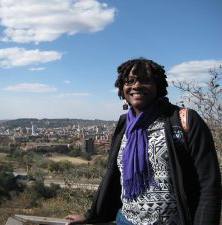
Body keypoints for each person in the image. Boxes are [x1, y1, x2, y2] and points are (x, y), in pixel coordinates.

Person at [65, 58, 221, 225]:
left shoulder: (183, 120)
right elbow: (114, 178)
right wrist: (91, 216)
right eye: (129, 81)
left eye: (145, 80)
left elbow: (209, 185)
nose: (136, 86)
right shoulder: (124, 124)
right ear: (122, 88)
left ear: (158, 85)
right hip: (125, 220)